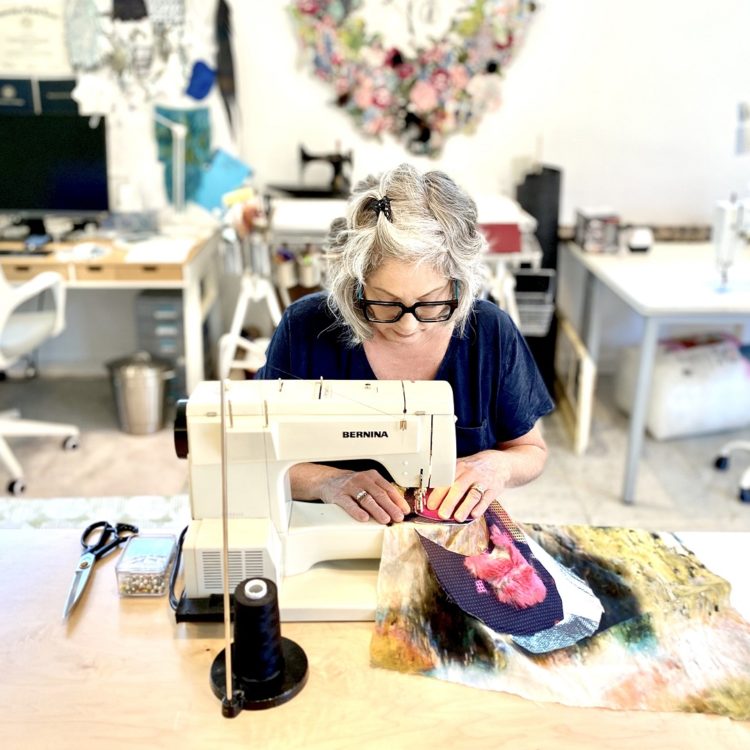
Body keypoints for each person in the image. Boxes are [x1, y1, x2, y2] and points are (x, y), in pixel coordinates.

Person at [257, 163, 554, 524]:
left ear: (459, 281)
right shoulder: (306, 328)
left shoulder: (489, 333)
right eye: (385, 302)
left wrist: (498, 466)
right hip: (328, 530)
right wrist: (329, 481)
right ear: (355, 284)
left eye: (431, 303)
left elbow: (530, 450)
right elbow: (258, 454)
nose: (408, 326)